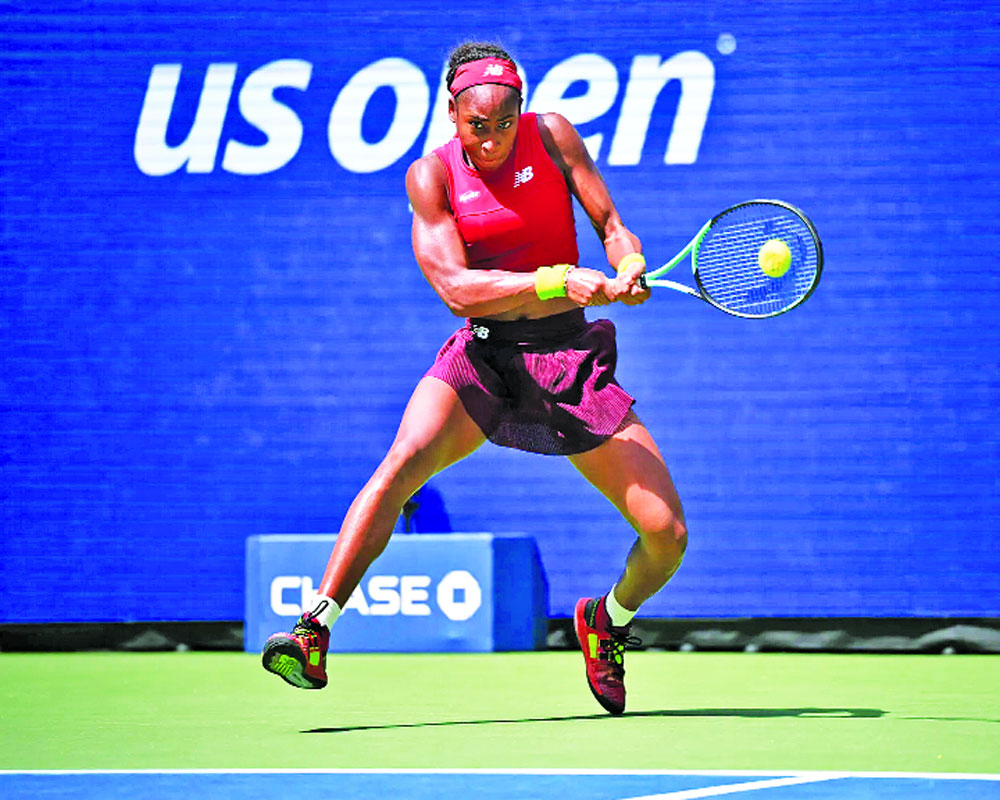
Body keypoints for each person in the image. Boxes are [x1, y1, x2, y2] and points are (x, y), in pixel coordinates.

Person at [262, 41, 687, 716]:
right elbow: (458, 290)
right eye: (475, 125)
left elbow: (609, 223)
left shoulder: (552, 136)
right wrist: (556, 279)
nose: (490, 139)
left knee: (666, 533)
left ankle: (607, 621)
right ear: (452, 115)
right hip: (482, 358)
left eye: (502, 121)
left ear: (521, 108)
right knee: (401, 464)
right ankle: (315, 628)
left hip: (567, 360)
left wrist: (627, 260)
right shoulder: (429, 177)